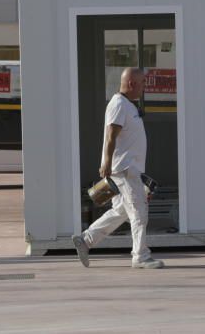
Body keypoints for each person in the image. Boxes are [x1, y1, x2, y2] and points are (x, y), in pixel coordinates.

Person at [72, 68, 164, 269]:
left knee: (121, 211)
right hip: (125, 169)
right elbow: (111, 135)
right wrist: (106, 162)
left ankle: (86, 240)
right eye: (141, 83)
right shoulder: (119, 105)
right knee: (139, 211)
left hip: (129, 169)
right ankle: (140, 256)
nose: (143, 88)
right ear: (131, 83)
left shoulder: (127, 105)